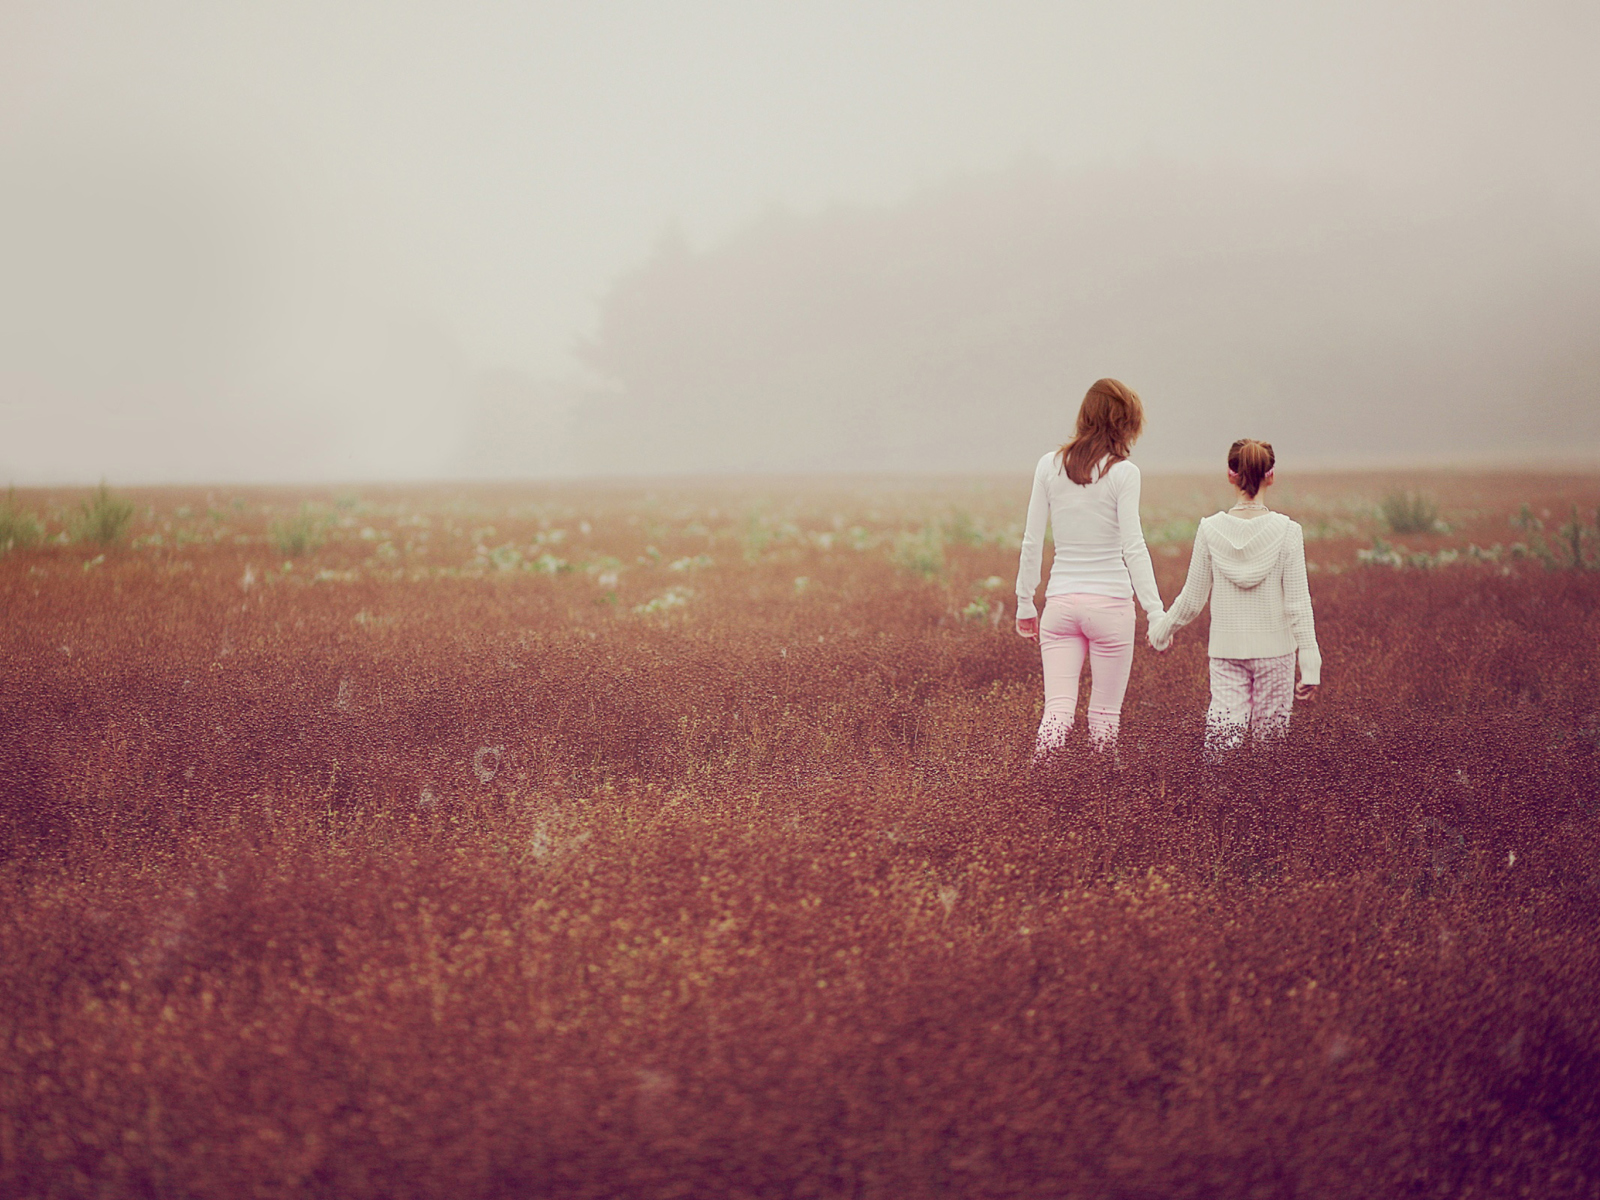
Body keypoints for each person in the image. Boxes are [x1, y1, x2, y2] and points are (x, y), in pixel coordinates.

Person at [1015, 378, 1165, 756]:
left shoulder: (1048, 466)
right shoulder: (1124, 473)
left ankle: (1038, 790)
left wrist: (1024, 602)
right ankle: (1102, 799)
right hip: (1110, 606)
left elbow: (1032, 540)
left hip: (1060, 606)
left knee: (1057, 711)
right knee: (1104, 716)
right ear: (1126, 422)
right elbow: (1134, 546)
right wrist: (1155, 611)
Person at [1147, 438, 1321, 758]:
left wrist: (1161, 630)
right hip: (1276, 653)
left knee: (1221, 745)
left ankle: (1216, 804)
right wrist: (1310, 666)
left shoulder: (1210, 529)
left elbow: (1192, 599)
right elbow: (1298, 603)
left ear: (1231, 475)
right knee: (1270, 751)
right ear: (1271, 475)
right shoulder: (1288, 531)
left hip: (1225, 652)